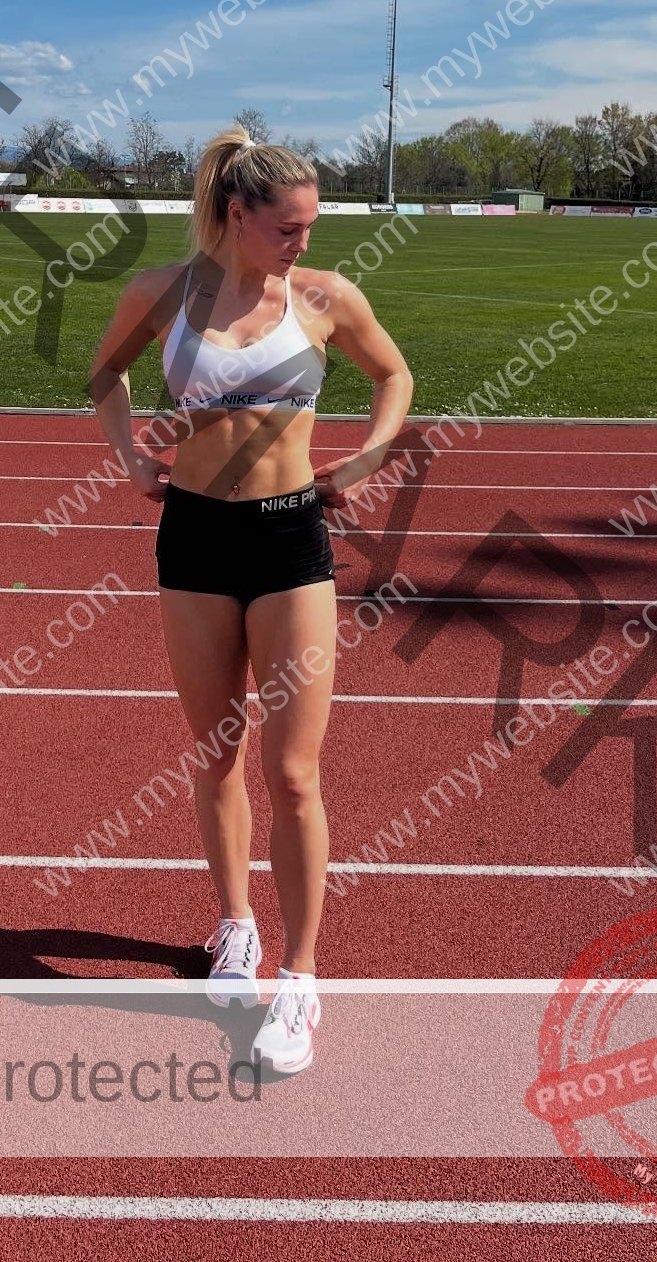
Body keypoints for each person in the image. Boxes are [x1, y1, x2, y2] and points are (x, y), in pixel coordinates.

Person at [89, 126, 414, 1073]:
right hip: (193, 538)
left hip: (288, 539)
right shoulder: (162, 292)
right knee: (215, 752)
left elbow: (394, 375)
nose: (302, 243)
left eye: (310, 227)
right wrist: (130, 457)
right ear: (237, 214)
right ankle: (235, 925)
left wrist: (367, 457)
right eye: (287, 228)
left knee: (296, 773)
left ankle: (300, 978)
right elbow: (104, 374)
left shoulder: (325, 298)